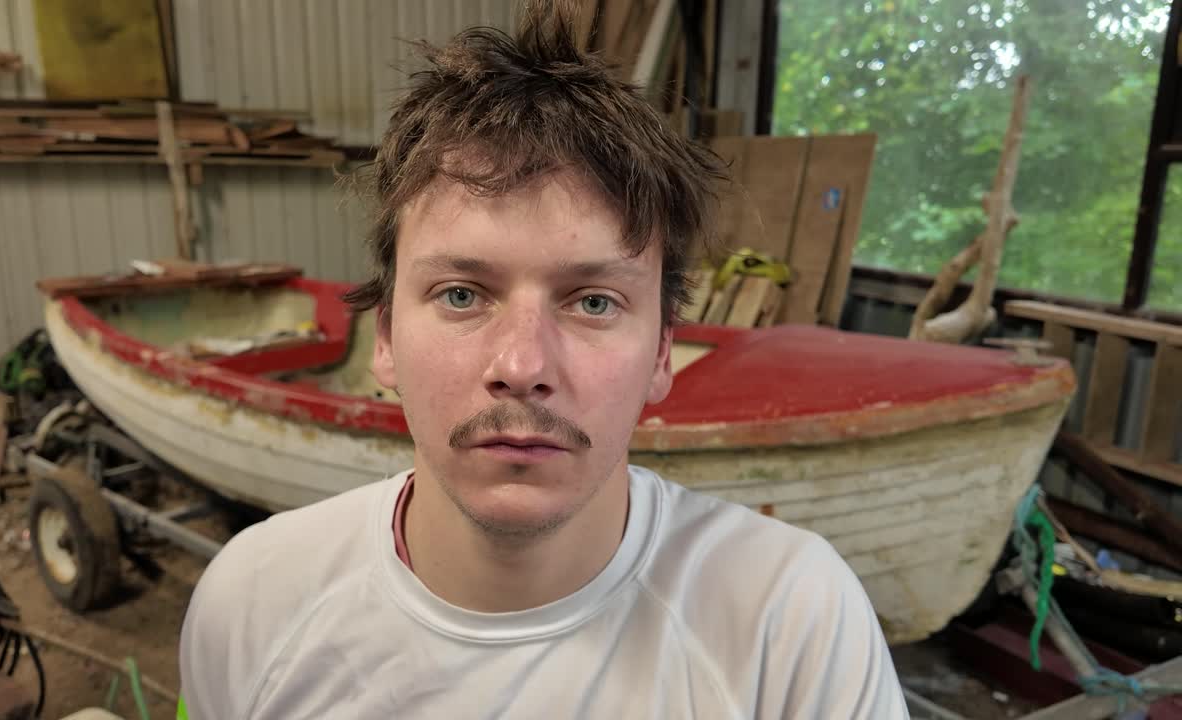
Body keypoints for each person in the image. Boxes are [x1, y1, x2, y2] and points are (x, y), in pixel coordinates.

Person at [178, 1, 909, 717]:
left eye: (593, 302)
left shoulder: (790, 623)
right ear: (387, 340)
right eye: (462, 294)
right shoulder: (251, 603)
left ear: (662, 353)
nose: (523, 364)